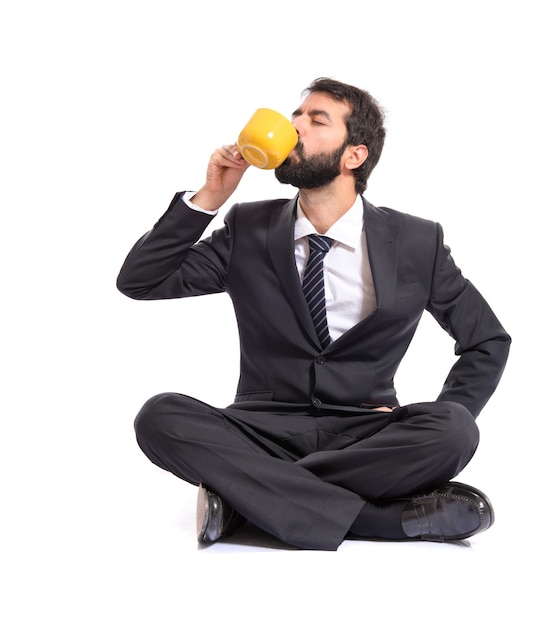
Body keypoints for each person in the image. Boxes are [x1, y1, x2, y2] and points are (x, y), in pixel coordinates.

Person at [117, 77, 511, 551]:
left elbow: (486, 340)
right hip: (262, 429)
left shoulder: (415, 241)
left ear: (354, 155)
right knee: (159, 416)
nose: (295, 126)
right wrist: (209, 198)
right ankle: (376, 519)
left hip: (365, 434)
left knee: (453, 429)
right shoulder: (249, 227)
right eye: (295, 116)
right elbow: (141, 281)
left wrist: (440, 412)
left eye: (315, 119)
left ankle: (248, 498)